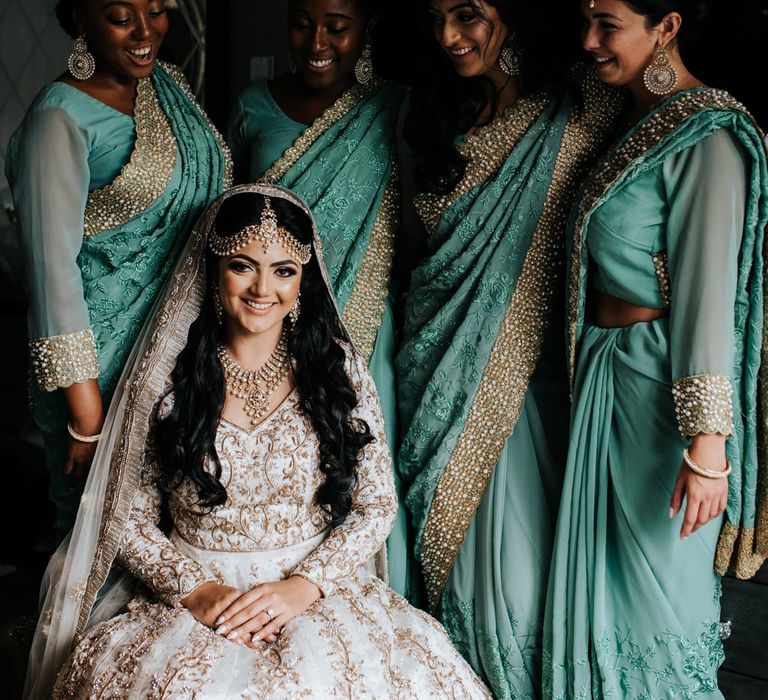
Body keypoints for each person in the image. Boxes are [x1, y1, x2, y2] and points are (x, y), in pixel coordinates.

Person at [25, 185, 491, 699]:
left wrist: (305, 585)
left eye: (283, 270)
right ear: (214, 270)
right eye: (243, 266)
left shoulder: (337, 370)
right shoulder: (167, 379)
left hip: (313, 594)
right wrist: (195, 591)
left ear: (302, 281)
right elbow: (127, 515)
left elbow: (376, 505)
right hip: (198, 600)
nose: (261, 288)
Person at [394, 0, 624, 695]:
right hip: (432, 371)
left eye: (468, 14)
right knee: (451, 577)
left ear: (516, 11)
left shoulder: (581, 110)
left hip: (531, 384)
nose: (449, 36)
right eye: (435, 17)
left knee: (520, 590)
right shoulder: (437, 112)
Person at [543, 2, 768, 697]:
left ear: (665, 27)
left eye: (608, 24)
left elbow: (709, 297)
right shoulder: (631, 122)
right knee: (600, 604)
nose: (588, 41)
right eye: (584, 20)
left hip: (661, 396)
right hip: (606, 375)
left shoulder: (709, 137)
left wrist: (707, 449)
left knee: (655, 614)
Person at [5, 0, 232, 539]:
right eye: (120, 14)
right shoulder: (59, 117)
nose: (145, 30)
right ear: (80, 20)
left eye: (156, 10)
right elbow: (50, 274)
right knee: (108, 543)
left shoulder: (165, 87)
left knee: (188, 542)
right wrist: (87, 422)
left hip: (189, 357)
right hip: (105, 370)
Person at [226, 0, 412, 597]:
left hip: (359, 330)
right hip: (259, 327)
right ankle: (259, 580)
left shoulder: (391, 108)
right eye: (304, 23)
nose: (318, 41)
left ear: (367, 29)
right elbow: (226, 223)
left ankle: (351, 598)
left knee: (357, 479)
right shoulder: (254, 105)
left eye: (338, 26)